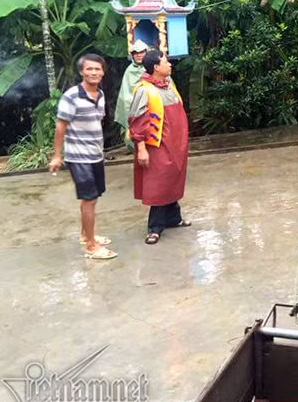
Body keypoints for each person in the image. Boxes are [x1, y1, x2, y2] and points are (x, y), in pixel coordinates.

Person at [49, 53, 118, 260]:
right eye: (89, 69)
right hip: (78, 156)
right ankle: (90, 246)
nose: (94, 72)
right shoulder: (71, 96)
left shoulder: (101, 95)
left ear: (103, 72)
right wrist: (56, 155)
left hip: (96, 154)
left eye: (98, 69)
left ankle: (84, 234)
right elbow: (61, 126)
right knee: (89, 198)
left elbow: (98, 122)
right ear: (81, 72)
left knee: (93, 198)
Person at [128, 49, 191, 244]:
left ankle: (174, 218)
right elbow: (136, 121)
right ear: (156, 67)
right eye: (166, 62)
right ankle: (154, 227)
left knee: (172, 179)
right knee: (159, 183)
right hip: (157, 146)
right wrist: (141, 148)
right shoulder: (144, 90)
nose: (170, 64)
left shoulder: (168, 86)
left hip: (175, 144)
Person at [115, 39, 150, 152]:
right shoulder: (129, 71)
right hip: (134, 106)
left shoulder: (153, 67)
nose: (139, 55)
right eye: (136, 53)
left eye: (141, 52)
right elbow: (125, 93)